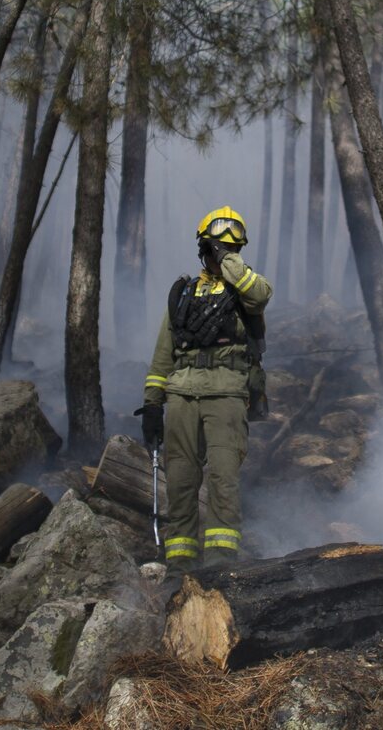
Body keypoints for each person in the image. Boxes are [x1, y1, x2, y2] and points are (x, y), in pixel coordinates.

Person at [139, 206, 272, 574]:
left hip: (227, 395)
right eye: (216, 248)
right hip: (181, 396)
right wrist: (152, 405)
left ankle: (220, 564)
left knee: (223, 479)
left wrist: (228, 258)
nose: (222, 255)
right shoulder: (183, 293)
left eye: (232, 249)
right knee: (180, 481)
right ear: (202, 248)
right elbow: (163, 354)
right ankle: (179, 563)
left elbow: (259, 296)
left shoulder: (246, 290)